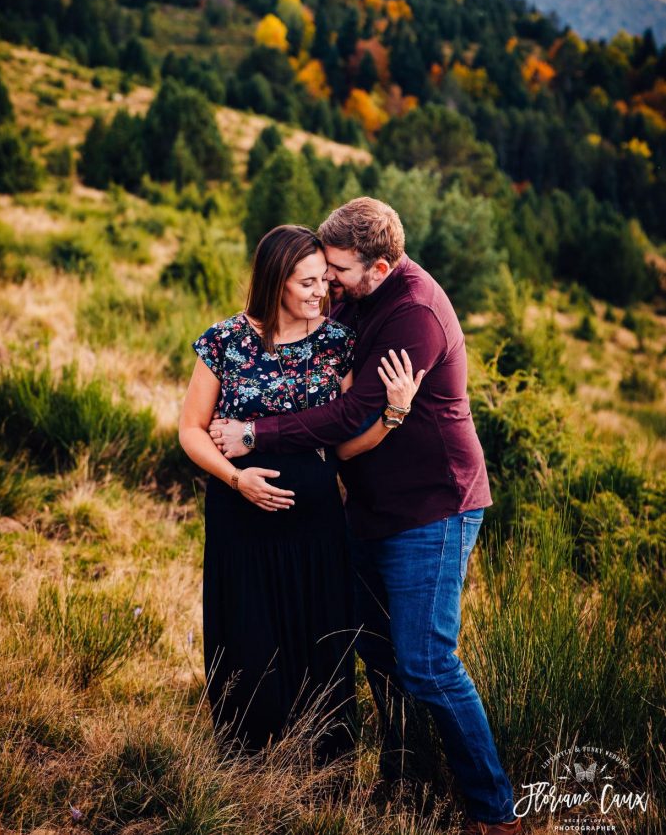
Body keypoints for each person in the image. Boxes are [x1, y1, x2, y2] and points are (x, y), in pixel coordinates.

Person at [210, 199, 521, 835]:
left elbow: (350, 415)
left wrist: (254, 433)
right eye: (321, 272)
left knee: (427, 662)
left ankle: (495, 813)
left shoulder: (415, 317)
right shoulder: (354, 296)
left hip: (431, 508)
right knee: (377, 653)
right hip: (370, 506)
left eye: (340, 273)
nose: (329, 285)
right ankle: (407, 783)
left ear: (378, 267)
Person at [179, 223, 423, 761]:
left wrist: (394, 413)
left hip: (315, 524)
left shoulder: (337, 344)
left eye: (325, 282)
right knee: (248, 635)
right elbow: (191, 430)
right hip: (239, 518)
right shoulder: (224, 341)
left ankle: (323, 764)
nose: (323, 293)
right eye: (308, 283)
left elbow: (346, 444)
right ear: (276, 282)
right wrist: (236, 479)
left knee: (322, 637)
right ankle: (249, 762)